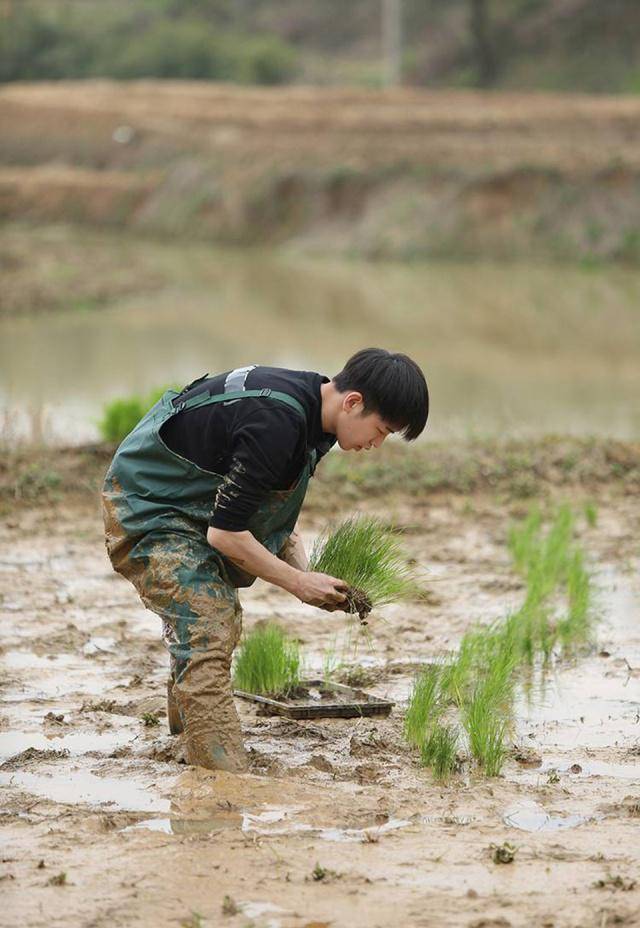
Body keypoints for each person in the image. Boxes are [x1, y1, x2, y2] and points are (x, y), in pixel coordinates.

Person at [102, 348, 429, 772]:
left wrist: (309, 573)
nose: (376, 444)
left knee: (209, 618)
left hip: (193, 504)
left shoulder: (317, 412)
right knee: (207, 618)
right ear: (353, 402)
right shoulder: (277, 421)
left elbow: (265, 509)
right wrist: (297, 584)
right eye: (381, 430)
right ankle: (221, 776)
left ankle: (186, 739)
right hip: (147, 506)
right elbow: (225, 533)